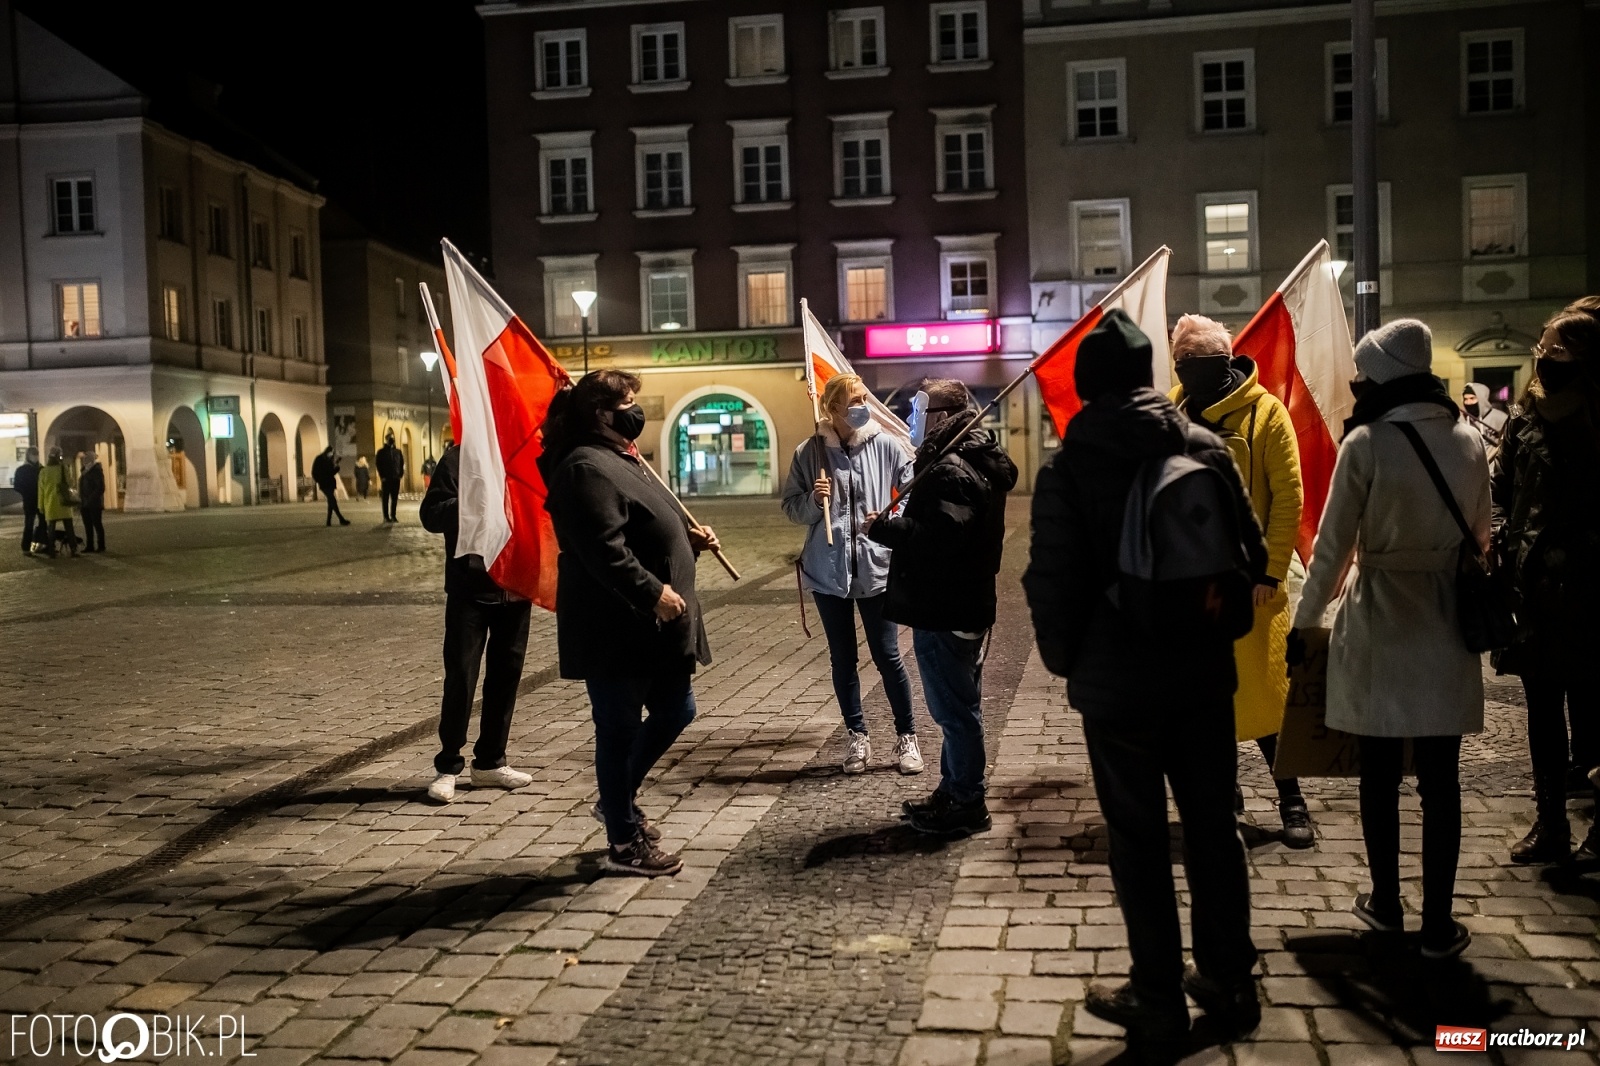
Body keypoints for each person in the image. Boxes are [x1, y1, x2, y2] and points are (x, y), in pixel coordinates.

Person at [1023, 310, 1265, 1060]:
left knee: (1138, 840)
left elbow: (1052, 580)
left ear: (1091, 386)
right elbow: (1250, 554)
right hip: (1201, 673)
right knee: (1214, 833)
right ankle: (1230, 982)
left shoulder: (1071, 463)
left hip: (1118, 685)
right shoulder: (1205, 445)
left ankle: (1156, 996)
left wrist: (1074, 661)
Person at [1290, 318, 1487, 961]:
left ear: (1382, 376)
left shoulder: (1368, 442)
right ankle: (1438, 923)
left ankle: (1384, 902)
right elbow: (1480, 539)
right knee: (1441, 780)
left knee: (1378, 775)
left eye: (1364, 372)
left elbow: (1331, 550)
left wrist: (1306, 621)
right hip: (1443, 620)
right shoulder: (1467, 439)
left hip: (1378, 618)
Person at [540, 370, 720, 877]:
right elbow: (603, 550)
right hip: (616, 629)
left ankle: (616, 800)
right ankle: (622, 839)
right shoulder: (584, 468)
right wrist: (652, 591)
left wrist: (687, 541)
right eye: (628, 402)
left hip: (658, 629)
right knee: (617, 729)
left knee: (676, 709)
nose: (635, 410)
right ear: (601, 412)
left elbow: (644, 527)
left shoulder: (622, 458)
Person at [1168, 314, 1313, 848]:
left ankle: (1292, 798)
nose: (1190, 372)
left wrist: (1271, 570)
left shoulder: (1266, 413)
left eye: (1199, 363)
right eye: (1184, 363)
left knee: (1266, 698)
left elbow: (1289, 498)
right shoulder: (1174, 412)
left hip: (1251, 583)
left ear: (1225, 361)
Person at [867, 378, 1016, 837]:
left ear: (940, 417)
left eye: (916, 411)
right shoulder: (967, 458)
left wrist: (887, 529)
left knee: (955, 711)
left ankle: (967, 802)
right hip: (957, 603)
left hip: (946, 607)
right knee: (957, 706)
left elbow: (944, 543)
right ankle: (953, 789)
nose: (910, 420)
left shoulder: (950, 468)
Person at [1491, 310, 1600, 864]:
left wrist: (1577, 550)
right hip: (1532, 589)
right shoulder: (1527, 412)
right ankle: (1550, 822)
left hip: (1588, 591)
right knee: (1541, 710)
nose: (1543, 357)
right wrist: (1498, 535)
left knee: (1593, 715)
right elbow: (1501, 485)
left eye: (1555, 351)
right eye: (1541, 346)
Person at [782, 373, 921, 776]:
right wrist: (813, 500)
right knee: (843, 660)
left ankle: (906, 735)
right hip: (829, 573)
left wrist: (891, 517)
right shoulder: (809, 452)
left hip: (877, 569)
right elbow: (790, 507)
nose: (864, 404)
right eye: (855, 399)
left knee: (888, 656)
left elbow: (912, 489)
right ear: (833, 408)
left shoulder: (886, 445)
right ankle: (857, 736)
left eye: (865, 397)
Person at [419, 443, 535, 804]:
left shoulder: (526, 454)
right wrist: (472, 499)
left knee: (506, 676)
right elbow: (431, 514)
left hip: (516, 585)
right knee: (461, 676)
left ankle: (490, 761)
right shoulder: (459, 457)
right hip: (470, 587)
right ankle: (448, 765)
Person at [36, 447, 78, 558]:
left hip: (50, 503)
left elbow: (41, 490)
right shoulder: (63, 468)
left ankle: (51, 550)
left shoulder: (44, 471)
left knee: (51, 529)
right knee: (69, 528)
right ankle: (73, 549)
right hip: (64, 502)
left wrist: (40, 506)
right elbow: (70, 483)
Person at [11, 446, 42, 555]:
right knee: (29, 523)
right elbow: (17, 486)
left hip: (41, 500)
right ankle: (26, 547)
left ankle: (41, 543)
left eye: (37, 454)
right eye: (34, 454)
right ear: (28, 455)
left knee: (43, 522)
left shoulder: (40, 469)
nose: (36, 457)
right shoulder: (22, 470)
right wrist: (26, 492)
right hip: (29, 500)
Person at [311, 447, 350, 526]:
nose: (331, 454)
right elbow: (315, 471)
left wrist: (336, 469)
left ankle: (329, 521)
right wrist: (318, 480)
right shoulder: (319, 459)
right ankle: (341, 519)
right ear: (327, 452)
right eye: (331, 452)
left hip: (330, 483)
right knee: (333, 500)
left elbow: (331, 472)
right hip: (324, 483)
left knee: (330, 502)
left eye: (332, 453)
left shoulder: (330, 460)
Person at [1462, 383, 1508, 449]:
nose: (1468, 402)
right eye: (1465, 399)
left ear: (1481, 399)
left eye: (1472, 398)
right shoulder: (1462, 419)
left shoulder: (1500, 418)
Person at [77, 452, 106, 553]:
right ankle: (90, 546)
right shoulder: (84, 471)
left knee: (97, 524)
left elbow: (100, 488)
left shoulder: (96, 471)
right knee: (87, 525)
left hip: (94, 503)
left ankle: (101, 545)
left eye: (86, 459)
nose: (84, 461)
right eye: (84, 459)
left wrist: (90, 499)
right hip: (84, 503)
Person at [376, 432, 405, 522]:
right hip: (386, 478)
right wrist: (382, 476)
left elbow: (401, 463)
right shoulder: (381, 452)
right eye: (390, 438)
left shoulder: (398, 452)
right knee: (385, 498)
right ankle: (386, 516)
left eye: (392, 438)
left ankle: (393, 515)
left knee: (394, 498)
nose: (391, 440)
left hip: (396, 478)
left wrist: (400, 474)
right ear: (386, 440)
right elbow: (378, 464)